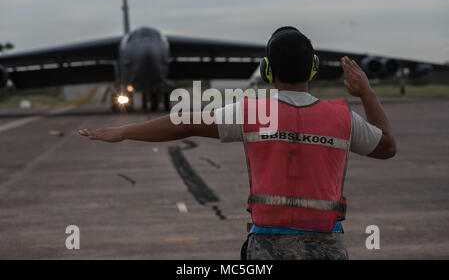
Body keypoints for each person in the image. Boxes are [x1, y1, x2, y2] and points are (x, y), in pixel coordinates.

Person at [79, 26, 396, 260]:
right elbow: (386, 148)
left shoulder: (254, 112)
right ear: (313, 68)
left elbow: (184, 123)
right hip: (327, 248)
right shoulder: (342, 117)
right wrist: (366, 93)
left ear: (267, 70)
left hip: (268, 250)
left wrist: (125, 131)